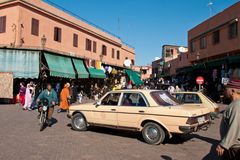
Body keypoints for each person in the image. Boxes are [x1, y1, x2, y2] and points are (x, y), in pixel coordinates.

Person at [216, 79, 240, 159]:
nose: (225, 91)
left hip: (233, 147)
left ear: (232, 91)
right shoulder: (235, 104)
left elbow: (235, 127)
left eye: (226, 89)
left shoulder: (237, 105)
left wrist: (223, 145)